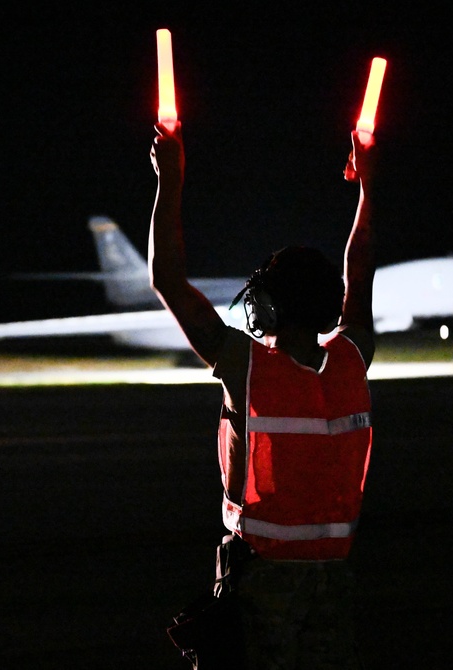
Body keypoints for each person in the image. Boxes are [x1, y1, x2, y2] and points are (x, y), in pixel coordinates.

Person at [150, 120, 376, 669]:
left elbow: (167, 279)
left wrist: (171, 181)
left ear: (271, 307)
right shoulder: (351, 360)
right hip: (334, 581)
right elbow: (361, 268)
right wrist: (369, 188)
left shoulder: (247, 366)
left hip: (262, 584)